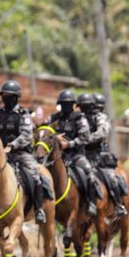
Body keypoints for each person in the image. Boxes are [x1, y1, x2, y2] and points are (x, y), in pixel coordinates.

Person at [0, 80, 48, 224]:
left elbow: (26, 134)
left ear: (15, 97)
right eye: (4, 95)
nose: (6, 98)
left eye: (9, 95)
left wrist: (11, 146)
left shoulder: (23, 114)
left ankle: (39, 209)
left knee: (36, 176)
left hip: (20, 154)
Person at [47, 89, 100, 217]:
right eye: (64, 104)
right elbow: (46, 132)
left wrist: (69, 144)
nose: (66, 106)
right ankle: (39, 206)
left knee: (90, 174)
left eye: (69, 103)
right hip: (56, 157)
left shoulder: (79, 118)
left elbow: (85, 136)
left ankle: (91, 203)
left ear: (73, 104)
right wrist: (55, 137)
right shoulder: (53, 118)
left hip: (76, 156)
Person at [80, 93, 127, 217]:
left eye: (100, 107)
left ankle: (118, 205)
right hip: (81, 154)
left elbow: (102, 132)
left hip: (99, 155)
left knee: (111, 178)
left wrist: (87, 138)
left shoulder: (101, 118)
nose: (97, 109)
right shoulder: (80, 118)